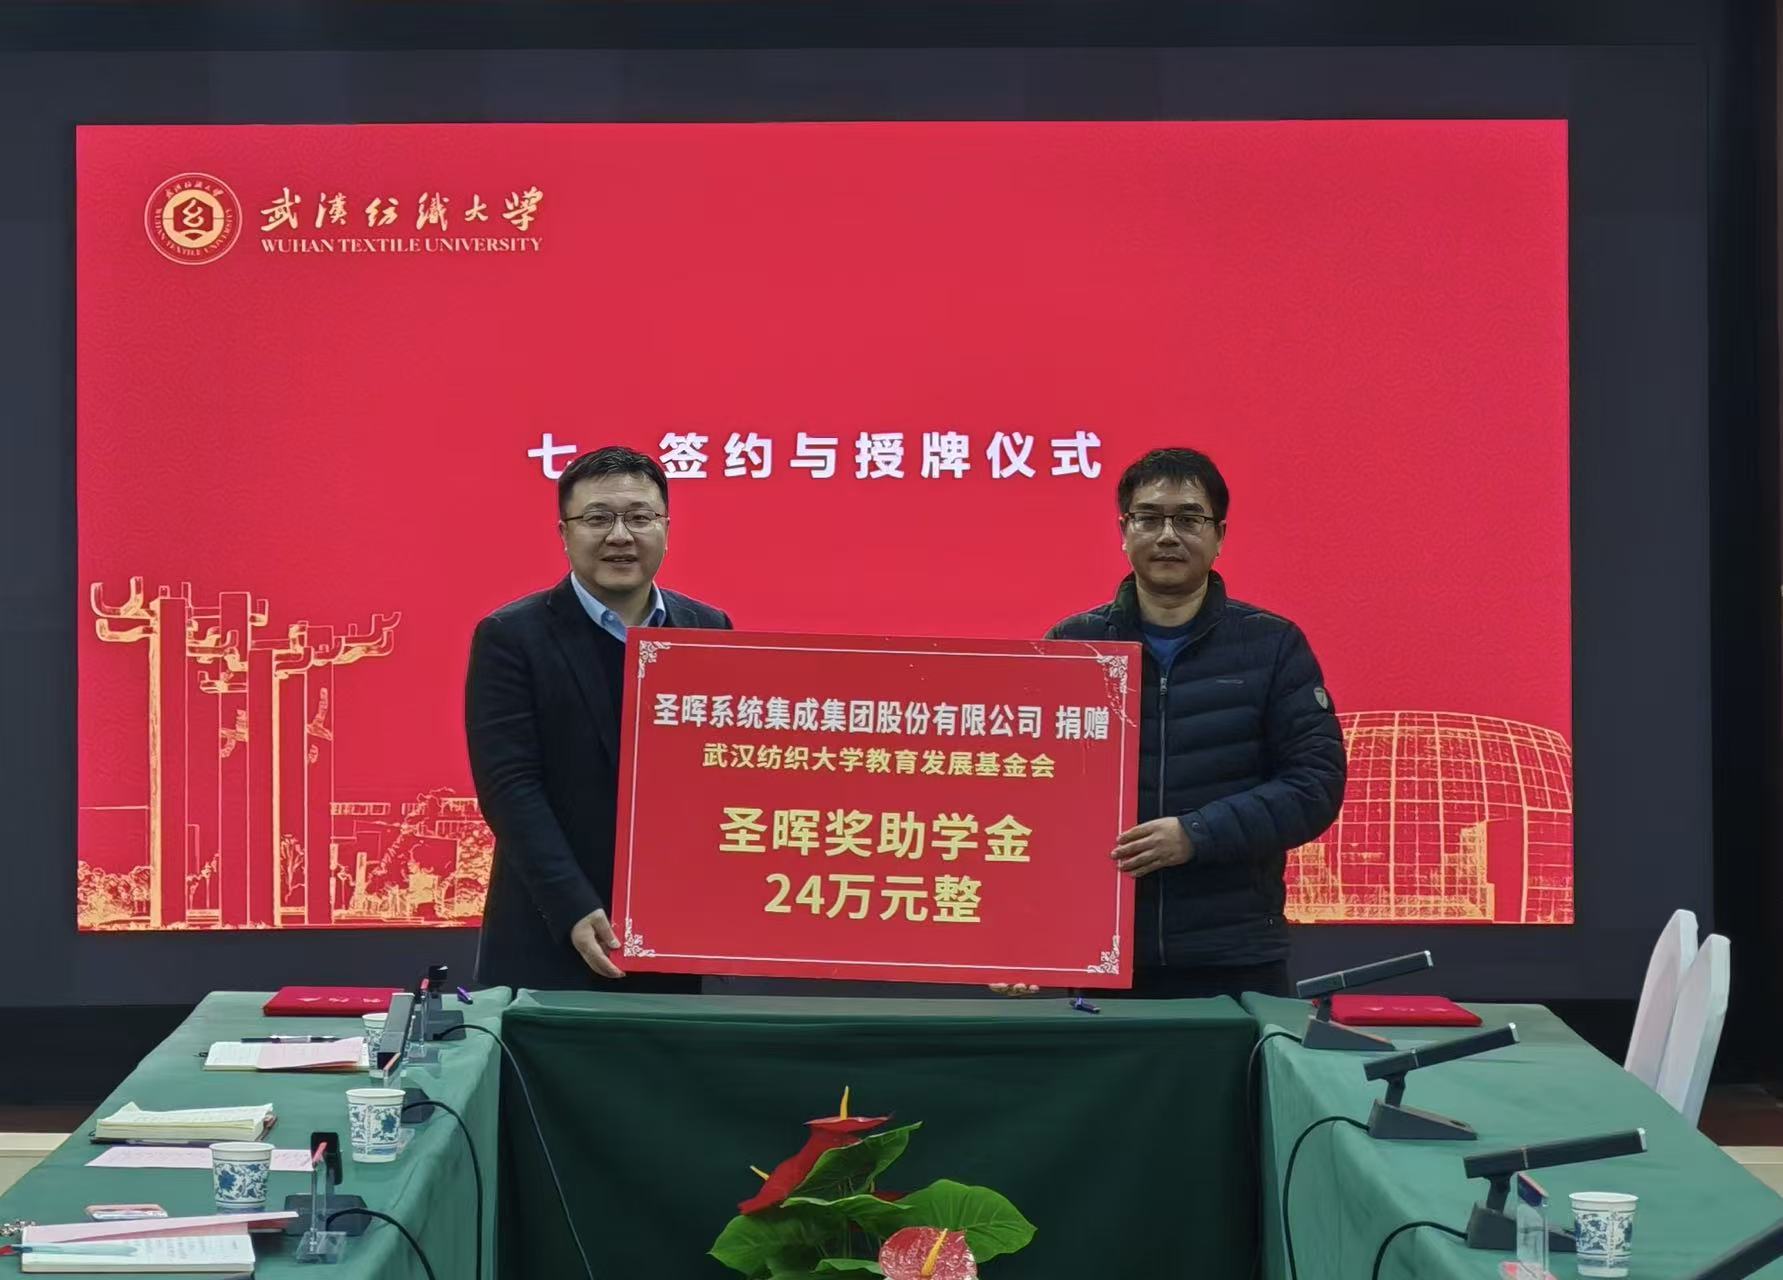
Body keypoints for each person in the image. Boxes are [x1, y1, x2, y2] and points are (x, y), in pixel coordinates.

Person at [1036, 448, 1346, 998]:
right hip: (1103, 955)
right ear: (1124, 531)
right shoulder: (1075, 645)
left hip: (1235, 956)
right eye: (1149, 517)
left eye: (1188, 518)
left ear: (1219, 534)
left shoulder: (1272, 645)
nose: (1167, 535)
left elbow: (1314, 786)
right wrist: (1023, 938)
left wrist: (1196, 834)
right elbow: (1034, 795)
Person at [466, 446, 733, 991]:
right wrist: (572, 903)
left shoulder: (708, 629)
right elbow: (510, 787)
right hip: (549, 932)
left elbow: (722, 772)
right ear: (564, 533)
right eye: (597, 519)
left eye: (639, 517)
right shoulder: (511, 637)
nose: (620, 536)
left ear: (665, 528)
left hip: (669, 935)